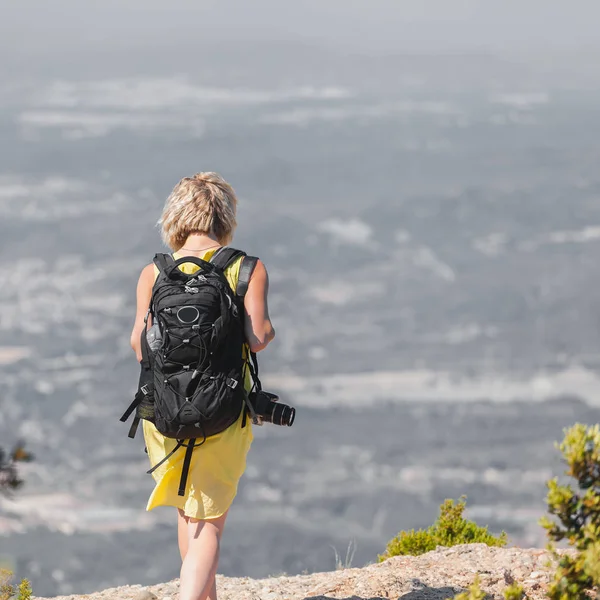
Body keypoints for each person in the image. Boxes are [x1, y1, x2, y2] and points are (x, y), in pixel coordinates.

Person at [130, 172, 275, 600]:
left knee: (188, 512)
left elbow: (139, 345)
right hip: (224, 408)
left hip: (163, 409)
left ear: (176, 214)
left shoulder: (154, 272)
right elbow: (259, 338)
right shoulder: (245, 267)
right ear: (224, 216)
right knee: (210, 521)